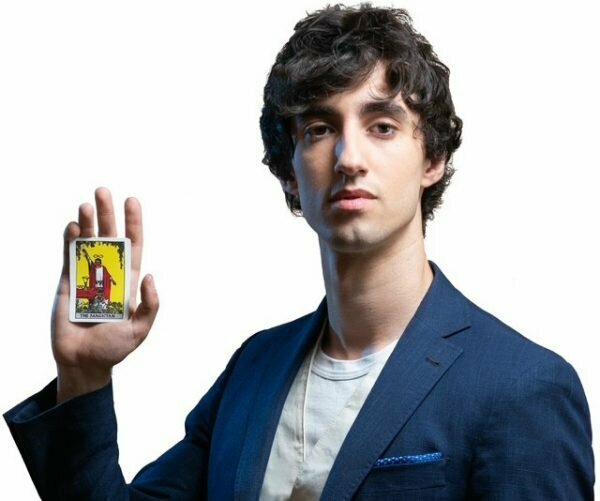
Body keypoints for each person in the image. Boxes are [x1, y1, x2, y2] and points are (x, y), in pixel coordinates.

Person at [4, 4, 594, 499]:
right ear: (290, 173)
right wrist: (83, 377)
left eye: (382, 126)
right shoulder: (254, 369)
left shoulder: (523, 387)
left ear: (432, 159)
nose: (349, 158)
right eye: (319, 129)